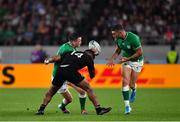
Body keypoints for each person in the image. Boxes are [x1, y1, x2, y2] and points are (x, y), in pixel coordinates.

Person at [35, 43, 112, 115]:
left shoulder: (72, 52)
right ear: (93, 54)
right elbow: (92, 75)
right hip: (71, 72)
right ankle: (98, 109)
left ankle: (41, 109)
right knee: (89, 89)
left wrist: (48, 60)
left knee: (51, 92)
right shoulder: (89, 58)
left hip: (60, 71)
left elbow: (57, 57)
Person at [106, 24, 144, 114]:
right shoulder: (118, 39)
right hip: (126, 60)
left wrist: (128, 59)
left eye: (114, 34)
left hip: (137, 61)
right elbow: (118, 50)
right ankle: (127, 107)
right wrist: (112, 58)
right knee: (124, 81)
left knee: (131, 84)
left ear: (120, 32)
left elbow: (139, 53)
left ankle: (134, 89)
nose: (113, 36)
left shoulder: (134, 38)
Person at [50, 32, 88, 115]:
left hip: (67, 74)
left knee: (80, 92)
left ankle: (81, 110)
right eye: (79, 41)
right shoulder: (67, 49)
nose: (80, 42)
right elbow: (60, 61)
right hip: (60, 76)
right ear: (74, 41)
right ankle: (42, 108)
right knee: (75, 95)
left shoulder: (71, 47)